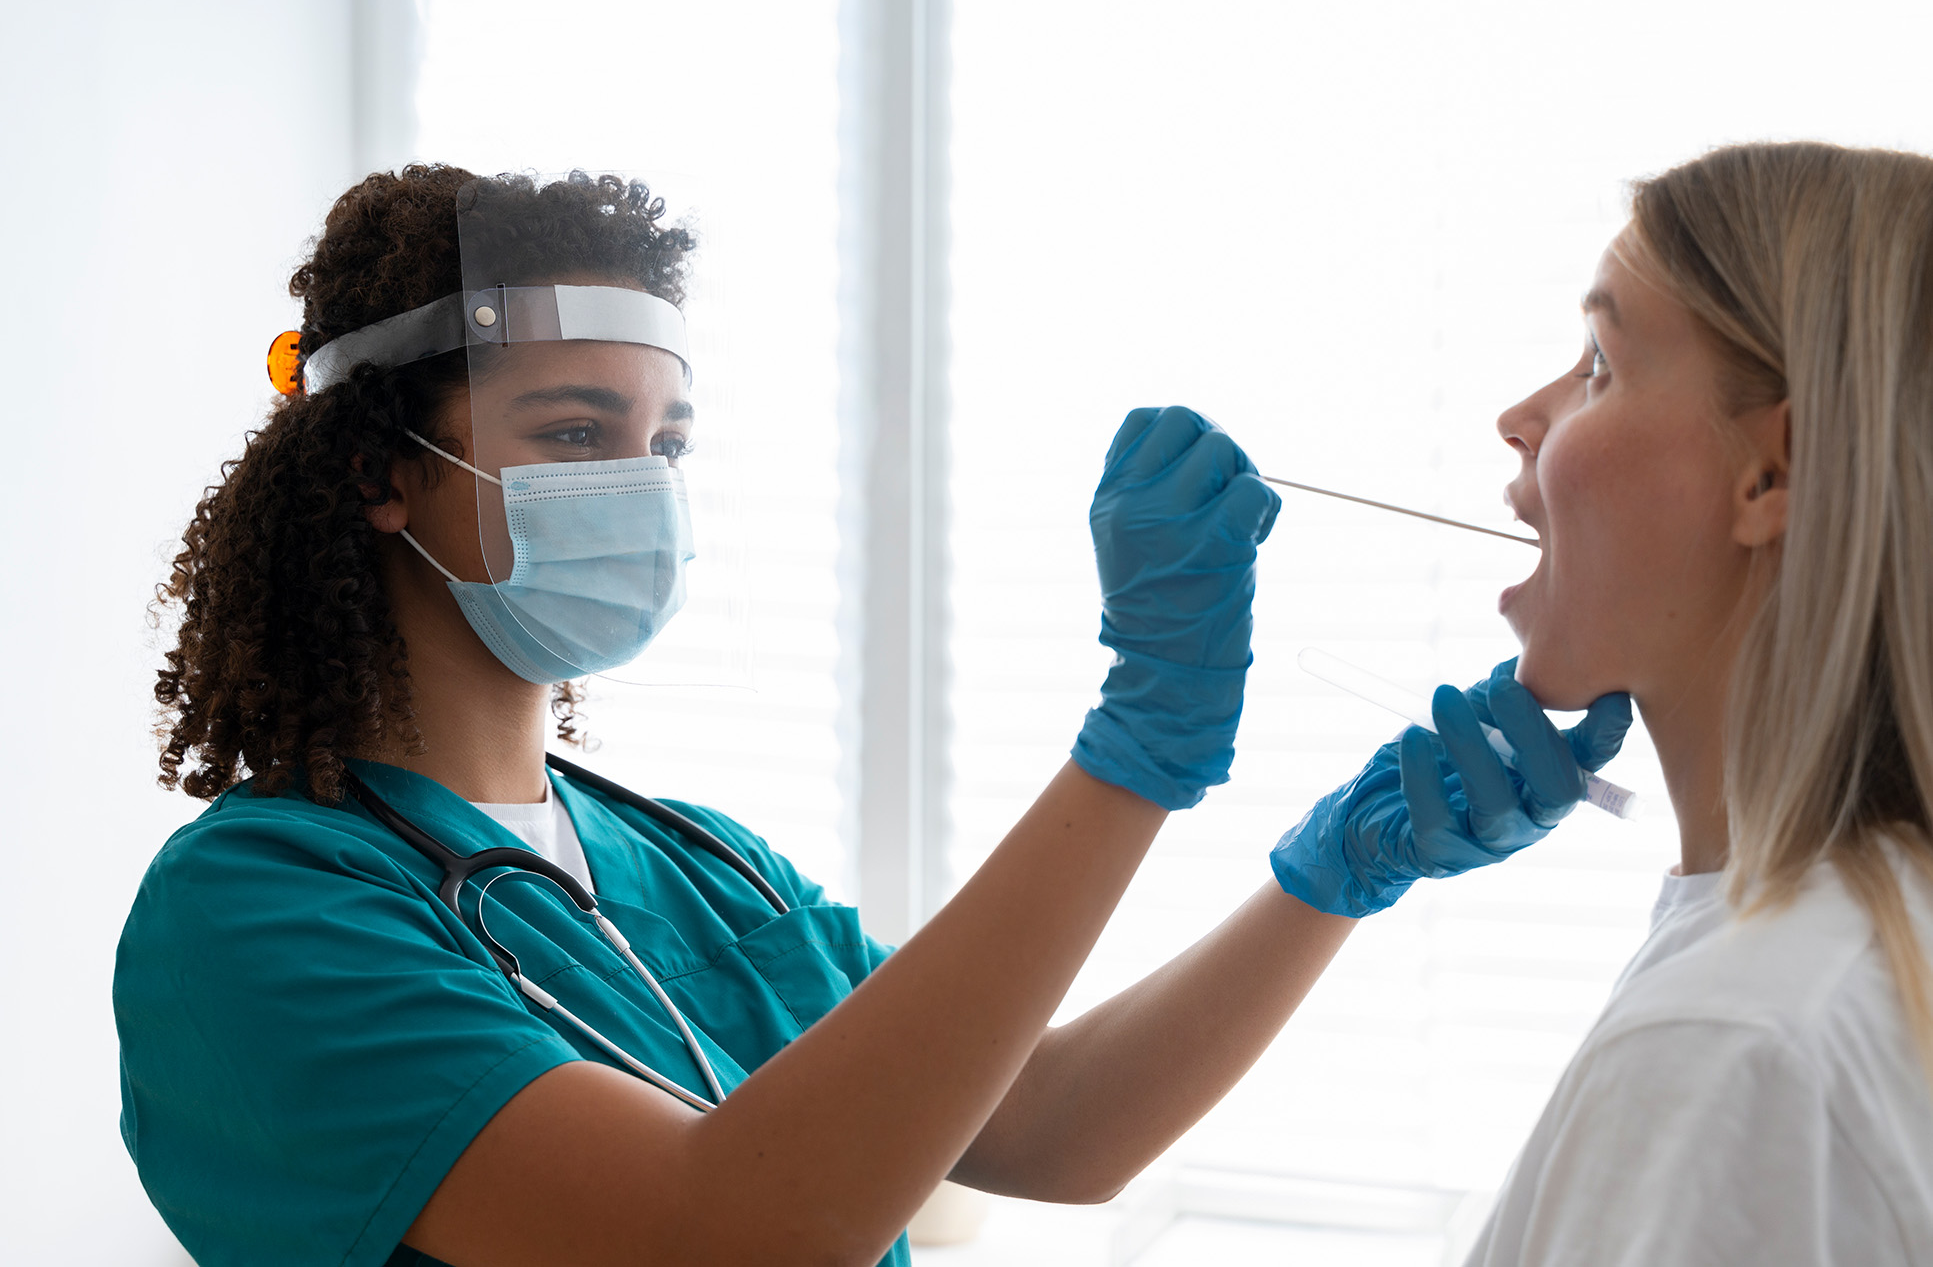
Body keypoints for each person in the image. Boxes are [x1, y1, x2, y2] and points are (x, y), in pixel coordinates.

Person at [115, 165, 1620, 1267]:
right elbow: (731, 1228)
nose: (642, 486)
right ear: (383, 470)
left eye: (668, 440)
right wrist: (1139, 742)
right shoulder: (256, 914)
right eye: (576, 433)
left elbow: (1044, 1125)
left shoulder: (695, 865)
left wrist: (1331, 878)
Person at [1444, 142, 1933, 1265]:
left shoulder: (1738, 1045)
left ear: (1776, 472)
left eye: (1600, 366)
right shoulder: (1821, 963)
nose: (1522, 417)